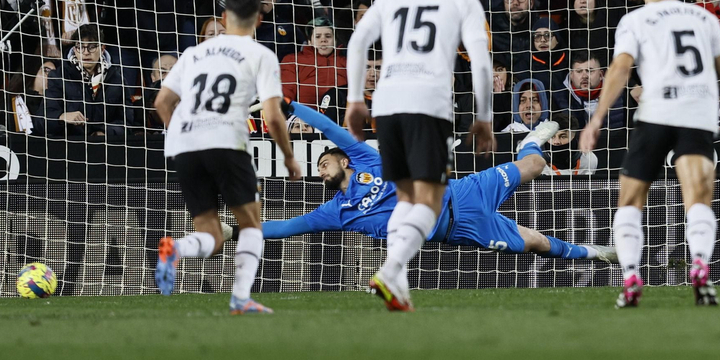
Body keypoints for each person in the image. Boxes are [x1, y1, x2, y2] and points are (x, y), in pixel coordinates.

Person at [580, 0, 720, 308]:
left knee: (630, 201)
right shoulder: (705, 17)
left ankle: (629, 277)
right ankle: (700, 265)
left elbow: (621, 70)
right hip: (698, 114)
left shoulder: (635, 19)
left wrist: (596, 120)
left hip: (656, 113)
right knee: (698, 197)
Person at [344, 0, 494, 311]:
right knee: (432, 198)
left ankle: (399, 290)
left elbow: (358, 42)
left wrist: (354, 100)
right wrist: (484, 116)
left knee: (406, 197)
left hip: (387, 102)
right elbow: (480, 60)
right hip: (428, 103)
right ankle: (390, 268)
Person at [261, 101, 609, 260]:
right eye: (319, 168)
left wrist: (289, 106)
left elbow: (330, 127)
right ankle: (597, 253)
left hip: (465, 191)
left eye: (325, 162)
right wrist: (239, 230)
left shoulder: (367, 158)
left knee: (534, 162)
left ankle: (531, 138)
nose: (321, 170)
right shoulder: (336, 212)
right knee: (537, 244)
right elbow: (286, 227)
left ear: (345, 160)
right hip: (461, 231)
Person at [152, 0, 302, 315]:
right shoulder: (261, 54)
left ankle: (175, 248)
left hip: (183, 144)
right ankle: (240, 297)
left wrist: (180, 135)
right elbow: (273, 115)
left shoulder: (193, 53)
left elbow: (162, 102)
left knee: (213, 237)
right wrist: (290, 157)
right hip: (225, 141)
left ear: (224, 17)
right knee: (251, 224)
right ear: (259, 20)